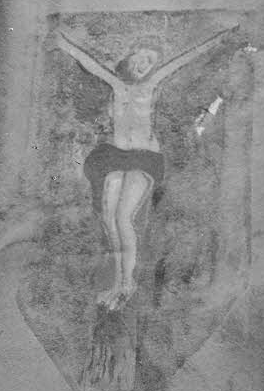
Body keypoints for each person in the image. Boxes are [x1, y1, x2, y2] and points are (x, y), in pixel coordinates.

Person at [53, 24, 240, 308]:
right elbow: (89, 64)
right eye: (141, 58)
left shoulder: (152, 85)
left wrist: (219, 38)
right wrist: (64, 43)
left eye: (151, 61)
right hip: (115, 155)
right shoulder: (116, 84)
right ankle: (119, 281)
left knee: (123, 218)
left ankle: (126, 284)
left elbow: (184, 59)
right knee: (109, 218)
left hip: (144, 158)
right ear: (129, 58)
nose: (144, 65)